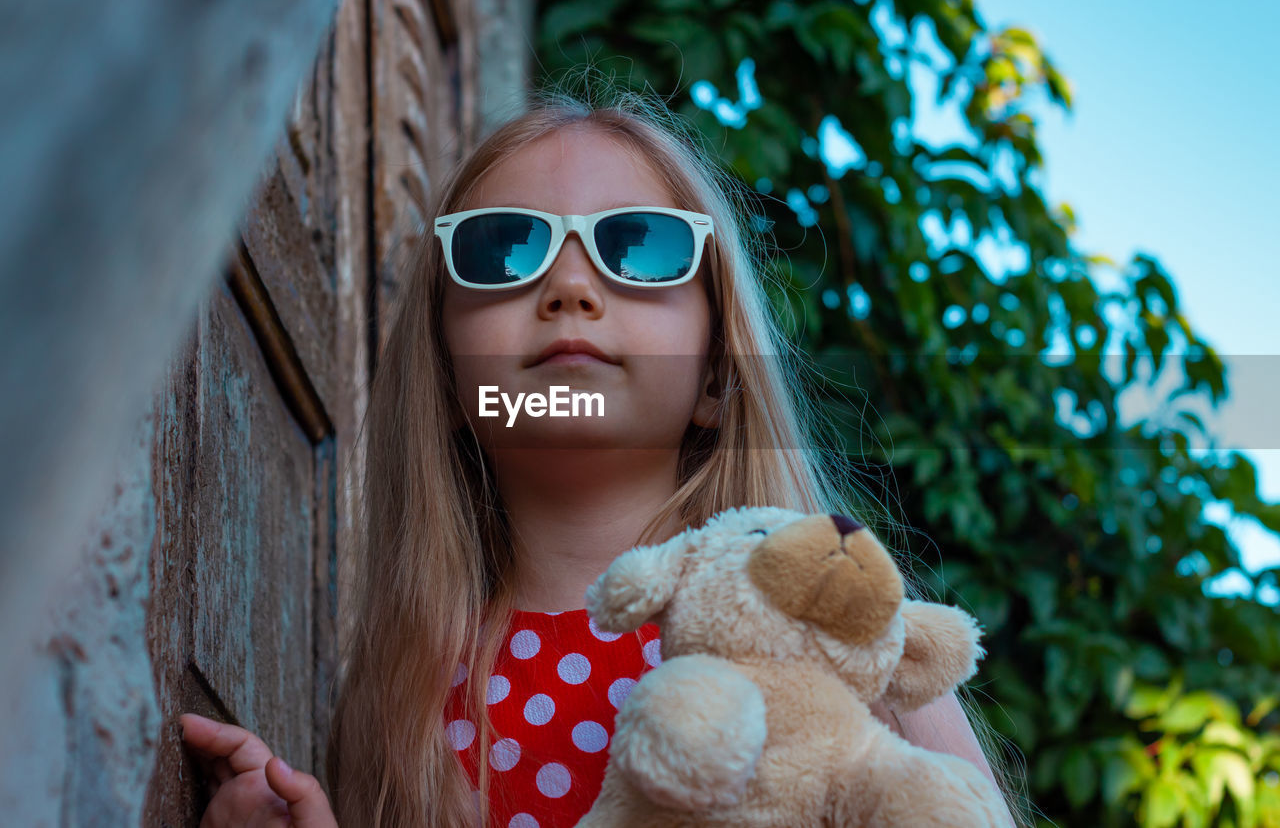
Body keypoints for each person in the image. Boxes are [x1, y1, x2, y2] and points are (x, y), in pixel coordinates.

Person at [182, 76, 1022, 828]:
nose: (570, 286)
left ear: (716, 378)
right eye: (501, 248)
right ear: (445, 383)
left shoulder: (821, 606)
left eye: (640, 245)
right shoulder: (405, 694)